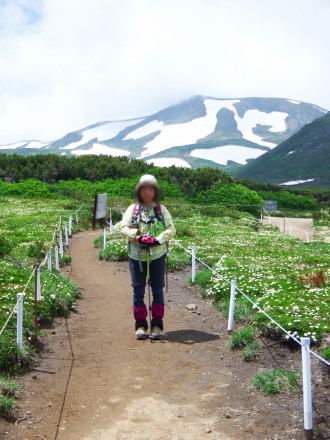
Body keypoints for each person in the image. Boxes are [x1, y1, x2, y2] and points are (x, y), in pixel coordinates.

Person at [120, 175, 176, 340]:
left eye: (150, 189)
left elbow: (172, 228)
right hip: (136, 255)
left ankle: (157, 324)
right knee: (138, 291)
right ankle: (141, 325)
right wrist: (137, 237)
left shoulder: (161, 209)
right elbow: (123, 227)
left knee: (157, 290)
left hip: (157, 255)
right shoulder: (133, 209)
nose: (147, 192)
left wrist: (158, 239)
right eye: (144, 189)